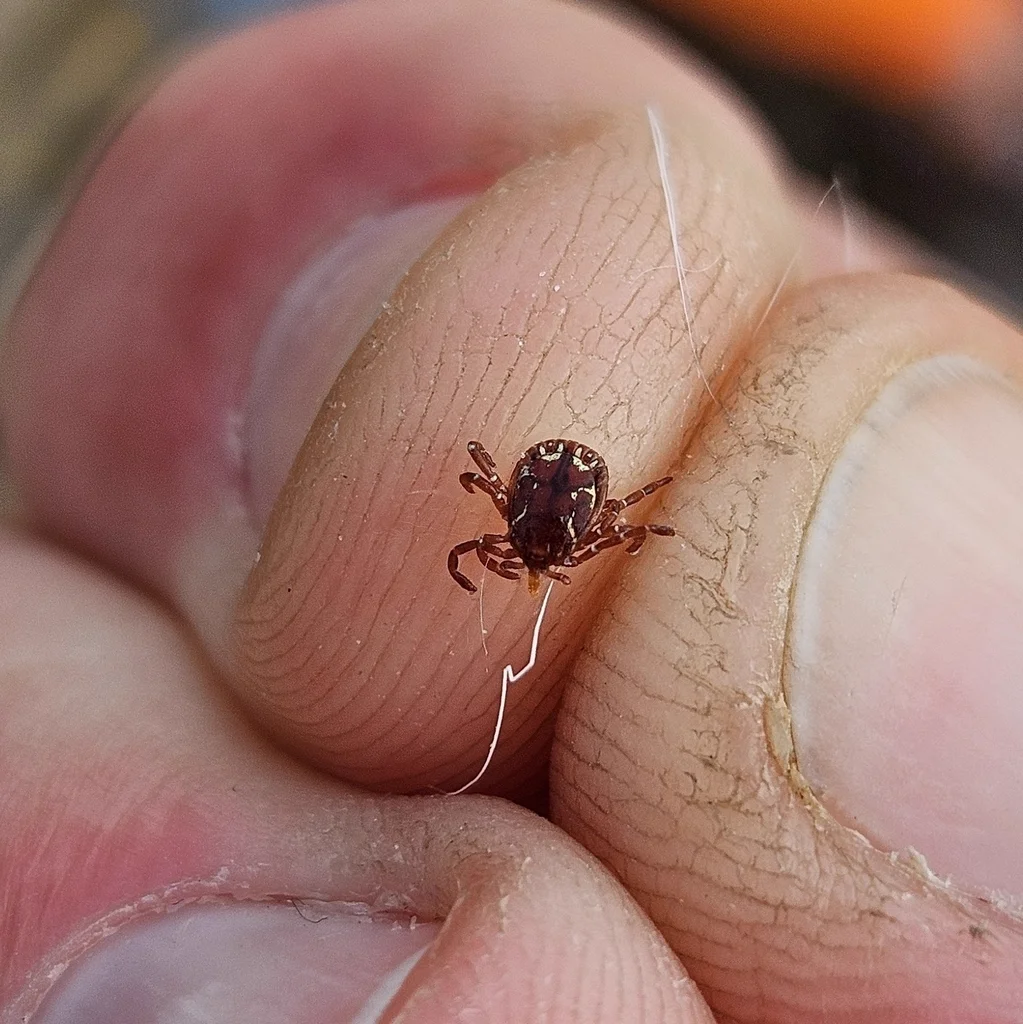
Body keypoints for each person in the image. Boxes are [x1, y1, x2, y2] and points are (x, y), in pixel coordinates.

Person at [4, 1, 1022, 1020]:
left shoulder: (531, 534)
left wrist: (546, 532)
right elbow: (588, 513)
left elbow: (517, 521)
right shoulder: (568, 534)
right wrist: (586, 527)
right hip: (566, 477)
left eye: (530, 559)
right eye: (530, 561)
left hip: (561, 475)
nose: (534, 571)